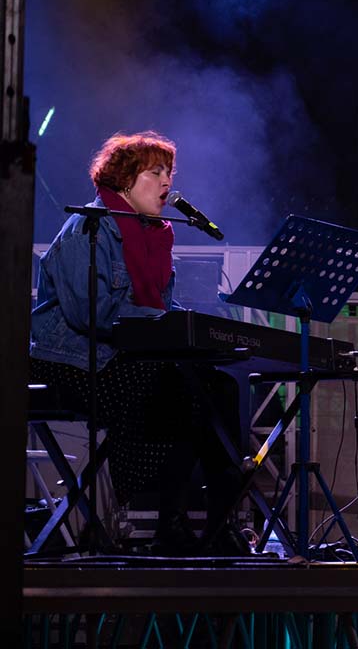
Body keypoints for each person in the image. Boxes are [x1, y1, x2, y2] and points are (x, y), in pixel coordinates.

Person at [29, 131, 242, 555]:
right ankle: (170, 524)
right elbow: (91, 313)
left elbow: (156, 307)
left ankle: (221, 523)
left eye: (169, 173)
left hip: (125, 355)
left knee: (220, 386)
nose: (167, 182)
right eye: (155, 172)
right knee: (177, 388)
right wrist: (167, 324)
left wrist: (189, 327)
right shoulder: (87, 229)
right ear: (125, 180)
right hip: (73, 359)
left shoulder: (155, 236)